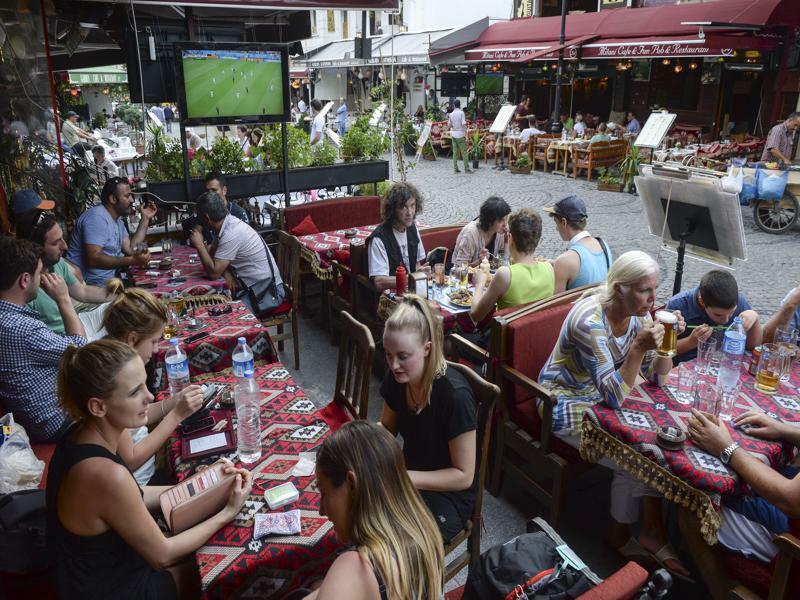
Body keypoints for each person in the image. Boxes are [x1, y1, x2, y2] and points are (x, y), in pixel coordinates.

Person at [46, 339, 252, 599]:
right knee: (227, 566)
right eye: (134, 392)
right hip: (115, 588)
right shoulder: (105, 474)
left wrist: (202, 486)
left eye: (145, 384)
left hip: (109, 566)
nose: (150, 396)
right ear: (98, 406)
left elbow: (134, 496)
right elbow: (163, 556)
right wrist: (228, 512)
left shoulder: (83, 432)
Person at [538, 251, 691, 579]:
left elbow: (657, 379)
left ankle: (651, 529)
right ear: (620, 288)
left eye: (655, 289)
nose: (653, 300)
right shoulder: (589, 321)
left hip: (603, 396)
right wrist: (637, 347)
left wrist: (668, 341)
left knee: (657, 436)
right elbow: (614, 395)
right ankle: (620, 535)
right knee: (635, 456)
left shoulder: (638, 314)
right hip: (562, 402)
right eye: (644, 290)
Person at [296, 420, 444, 599]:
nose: (321, 510)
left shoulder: (355, 567)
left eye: (324, 493)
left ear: (351, 483)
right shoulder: (424, 531)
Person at [380, 295, 477, 543]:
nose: (394, 365)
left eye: (403, 356)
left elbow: (464, 475)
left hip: (450, 496)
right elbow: (386, 429)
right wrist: (360, 446)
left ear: (427, 348)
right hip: (409, 476)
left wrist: (405, 478)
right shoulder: (397, 379)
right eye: (388, 355)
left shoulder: (455, 396)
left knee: (395, 546)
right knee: (362, 517)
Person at [685, 409, 800, 597]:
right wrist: (784, 430)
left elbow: (791, 500)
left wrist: (726, 447)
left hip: (792, 542)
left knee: (698, 500)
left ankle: (722, 593)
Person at [102, 289, 204, 485]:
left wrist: (174, 402)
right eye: (154, 342)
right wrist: (176, 416)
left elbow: (139, 415)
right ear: (132, 339)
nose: (157, 349)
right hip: (141, 483)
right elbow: (131, 459)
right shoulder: (112, 376)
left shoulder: (116, 360)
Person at [0, 237, 85, 442]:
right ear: (25, 280)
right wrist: (63, 299)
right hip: (58, 422)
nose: (44, 277)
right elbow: (82, 352)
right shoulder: (21, 328)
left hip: (33, 419)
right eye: (40, 273)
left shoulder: (10, 320)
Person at [20, 213, 119, 339]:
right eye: (56, 243)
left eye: (63, 238)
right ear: (36, 248)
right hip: (64, 340)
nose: (65, 246)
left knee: (127, 309)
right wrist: (62, 298)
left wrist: (122, 295)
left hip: (79, 323)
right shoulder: (26, 285)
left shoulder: (56, 263)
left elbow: (82, 292)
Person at [190, 191, 282, 313]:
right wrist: (226, 272)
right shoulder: (228, 222)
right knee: (210, 307)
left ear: (207, 218)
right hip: (251, 288)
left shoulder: (231, 233)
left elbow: (213, 273)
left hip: (266, 293)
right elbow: (213, 255)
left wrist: (200, 245)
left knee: (218, 316)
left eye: (200, 218)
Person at [66, 177, 156, 286]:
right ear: (113, 199)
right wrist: (133, 260)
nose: (132, 200)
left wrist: (145, 218)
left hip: (109, 284)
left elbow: (131, 249)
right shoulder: (96, 218)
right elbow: (93, 259)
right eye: (127, 196)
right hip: (88, 287)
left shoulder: (117, 219)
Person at [470, 208, 555, 323]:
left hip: (506, 339)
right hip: (535, 336)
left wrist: (479, 284)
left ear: (510, 238)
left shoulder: (505, 275)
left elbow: (475, 316)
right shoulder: (549, 268)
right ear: (537, 240)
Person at [667, 269, 762, 362]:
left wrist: (755, 319)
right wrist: (690, 342)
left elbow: (753, 346)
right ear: (702, 301)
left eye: (732, 313)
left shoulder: (738, 301)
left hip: (724, 364)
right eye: (718, 315)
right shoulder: (678, 306)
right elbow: (662, 349)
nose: (725, 320)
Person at [367, 182, 428, 293]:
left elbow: (416, 264)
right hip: (391, 298)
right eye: (403, 207)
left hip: (412, 292)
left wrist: (421, 271)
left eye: (412, 205)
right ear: (393, 209)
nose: (409, 212)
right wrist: (410, 279)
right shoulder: (379, 238)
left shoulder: (413, 229)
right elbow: (379, 282)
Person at [545, 195, 612, 293]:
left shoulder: (565, 261)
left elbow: (556, 307)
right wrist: (554, 263)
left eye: (556, 223)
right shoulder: (603, 245)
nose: (556, 228)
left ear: (564, 222)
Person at [181, 171, 250, 245]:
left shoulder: (238, 213)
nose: (210, 194)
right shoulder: (205, 211)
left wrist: (201, 245)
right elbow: (196, 234)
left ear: (224, 190)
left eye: (214, 190)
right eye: (207, 191)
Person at [452, 196, 510, 267]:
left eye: (506, 218)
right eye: (500, 220)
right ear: (489, 221)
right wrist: (479, 261)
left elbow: (504, 261)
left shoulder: (500, 231)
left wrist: (507, 243)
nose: (505, 224)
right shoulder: (470, 234)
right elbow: (459, 268)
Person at [448, 99, 470, 174]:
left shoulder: (450, 114)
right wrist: (466, 132)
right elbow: (463, 124)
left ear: (454, 105)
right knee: (464, 152)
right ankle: (466, 168)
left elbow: (449, 125)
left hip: (454, 134)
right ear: (459, 105)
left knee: (455, 152)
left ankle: (455, 168)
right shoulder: (461, 113)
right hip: (460, 134)